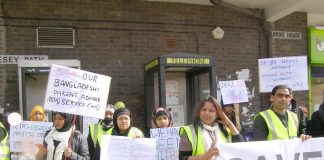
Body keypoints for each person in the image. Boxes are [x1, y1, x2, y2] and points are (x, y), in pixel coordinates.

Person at [179, 96, 244, 160]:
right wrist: (204, 157)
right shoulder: (189, 131)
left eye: (211, 110)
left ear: (217, 114)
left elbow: (241, 148)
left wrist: (229, 124)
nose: (207, 113)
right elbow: (182, 158)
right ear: (199, 112)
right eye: (204, 110)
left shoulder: (225, 130)